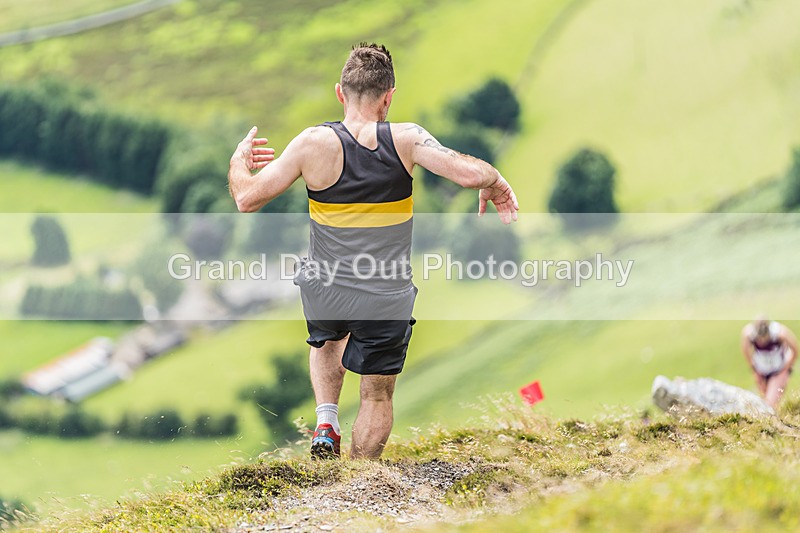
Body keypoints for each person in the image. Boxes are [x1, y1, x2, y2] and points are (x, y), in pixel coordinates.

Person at [228, 43, 518, 459]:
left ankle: (326, 421)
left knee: (327, 340)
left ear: (340, 93)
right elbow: (471, 173)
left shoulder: (312, 143)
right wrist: (495, 181)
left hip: (326, 285)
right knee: (376, 397)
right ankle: (358, 480)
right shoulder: (406, 139)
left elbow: (246, 199)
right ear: (389, 96)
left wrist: (238, 161)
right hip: (385, 295)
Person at [740, 317, 798, 410]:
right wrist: (755, 369)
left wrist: (785, 369)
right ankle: (776, 418)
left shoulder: (780, 333)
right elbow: (745, 351)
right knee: (763, 398)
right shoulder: (749, 334)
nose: (762, 341)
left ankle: (775, 421)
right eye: (759, 338)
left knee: (770, 403)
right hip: (762, 370)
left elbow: (795, 349)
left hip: (778, 370)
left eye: (765, 338)